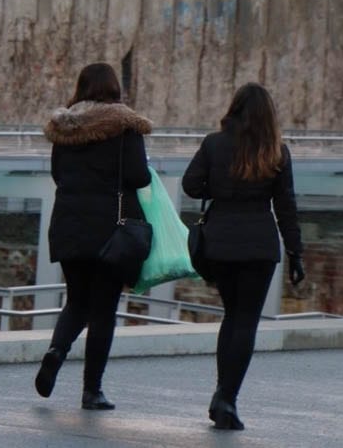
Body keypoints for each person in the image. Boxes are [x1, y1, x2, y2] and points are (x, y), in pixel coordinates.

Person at [182, 82, 305, 431]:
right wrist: (296, 252)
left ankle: (223, 392)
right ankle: (227, 397)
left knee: (231, 316)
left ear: (233, 108)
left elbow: (191, 185)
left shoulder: (214, 144)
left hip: (220, 242)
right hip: (259, 245)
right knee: (246, 321)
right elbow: (286, 207)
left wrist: (218, 189)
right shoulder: (276, 151)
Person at [35, 62, 152, 410]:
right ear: (114, 88)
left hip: (69, 225)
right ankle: (92, 390)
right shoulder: (124, 126)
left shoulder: (65, 127)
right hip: (109, 229)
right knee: (103, 310)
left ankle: (56, 351)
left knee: (77, 301)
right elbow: (138, 176)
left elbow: (59, 175)